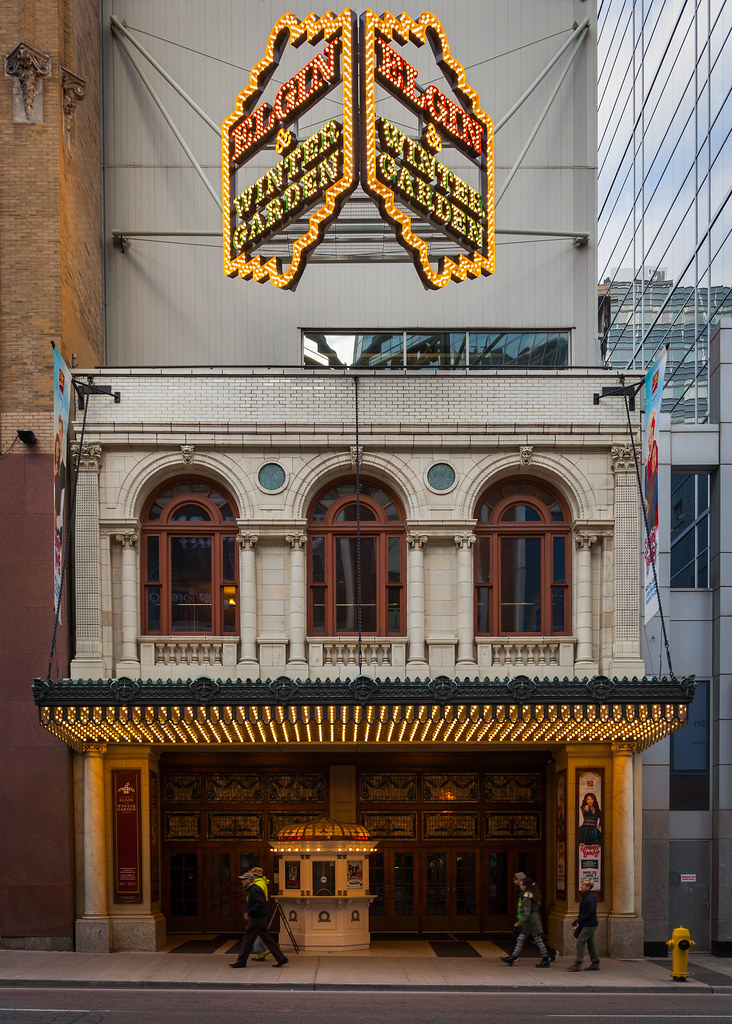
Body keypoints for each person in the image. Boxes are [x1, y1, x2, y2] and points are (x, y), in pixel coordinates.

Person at [230, 870, 288, 969]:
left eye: (243, 879)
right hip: (260, 917)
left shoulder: (254, 889)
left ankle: (241, 961)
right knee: (267, 939)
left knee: (247, 940)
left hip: (256, 918)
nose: (242, 881)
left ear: (249, 880)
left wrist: (249, 912)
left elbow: (260, 903)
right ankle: (281, 958)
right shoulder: (254, 888)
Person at [504, 871, 557, 965]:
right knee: (520, 939)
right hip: (529, 921)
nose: (519, 886)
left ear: (525, 886)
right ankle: (513, 957)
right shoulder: (531, 894)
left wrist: (519, 923)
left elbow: (527, 912)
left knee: (538, 940)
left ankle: (545, 958)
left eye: (521, 884)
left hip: (531, 922)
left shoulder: (527, 896)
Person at [567, 879, 599, 971]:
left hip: (589, 924)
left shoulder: (590, 897)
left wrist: (581, 919)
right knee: (590, 943)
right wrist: (578, 919)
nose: (581, 886)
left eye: (583, 885)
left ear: (588, 887)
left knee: (580, 941)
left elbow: (591, 911)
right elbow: (584, 911)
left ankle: (578, 963)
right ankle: (595, 962)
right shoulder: (586, 896)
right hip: (588, 923)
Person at [250, 867, 271, 961]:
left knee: (256, 932)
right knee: (260, 932)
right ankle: (263, 952)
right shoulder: (262, 883)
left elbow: (258, 900)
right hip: (261, 910)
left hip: (258, 910)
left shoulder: (257, 884)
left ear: (255, 875)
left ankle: (264, 950)